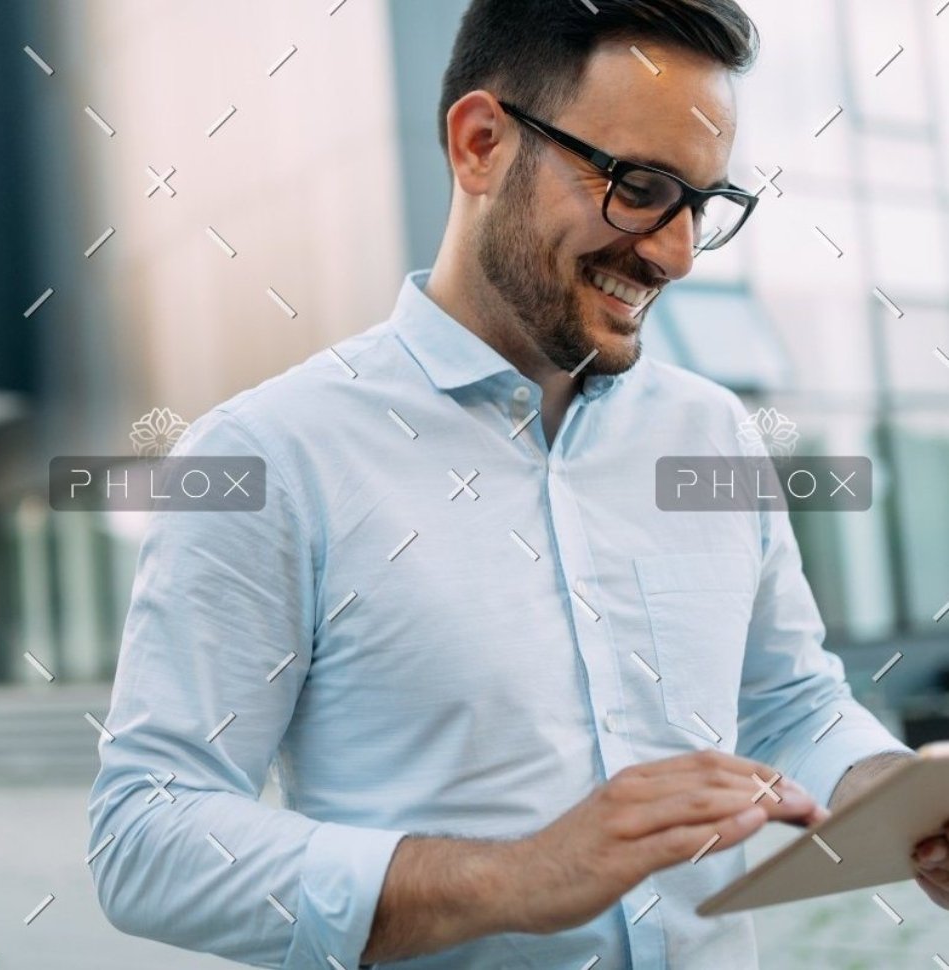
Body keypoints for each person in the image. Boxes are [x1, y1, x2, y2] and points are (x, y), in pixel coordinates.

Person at [87, 1, 949, 968]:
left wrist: (902, 799)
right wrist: (519, 877)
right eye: (639, 185)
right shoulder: (267, 457)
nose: (673, 252)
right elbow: (147, 837)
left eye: (702, 204)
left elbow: (786, 701)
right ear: (481, 144)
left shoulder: (711, 435)